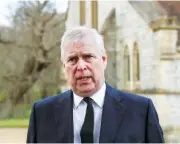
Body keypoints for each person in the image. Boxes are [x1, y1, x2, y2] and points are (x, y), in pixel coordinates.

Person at [26, 26, 164, 143]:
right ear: (64, 66)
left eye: (88, 57)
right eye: (72, 59)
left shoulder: (141, 110)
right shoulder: (42, 113)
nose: (81, 66)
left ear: (103, 60)